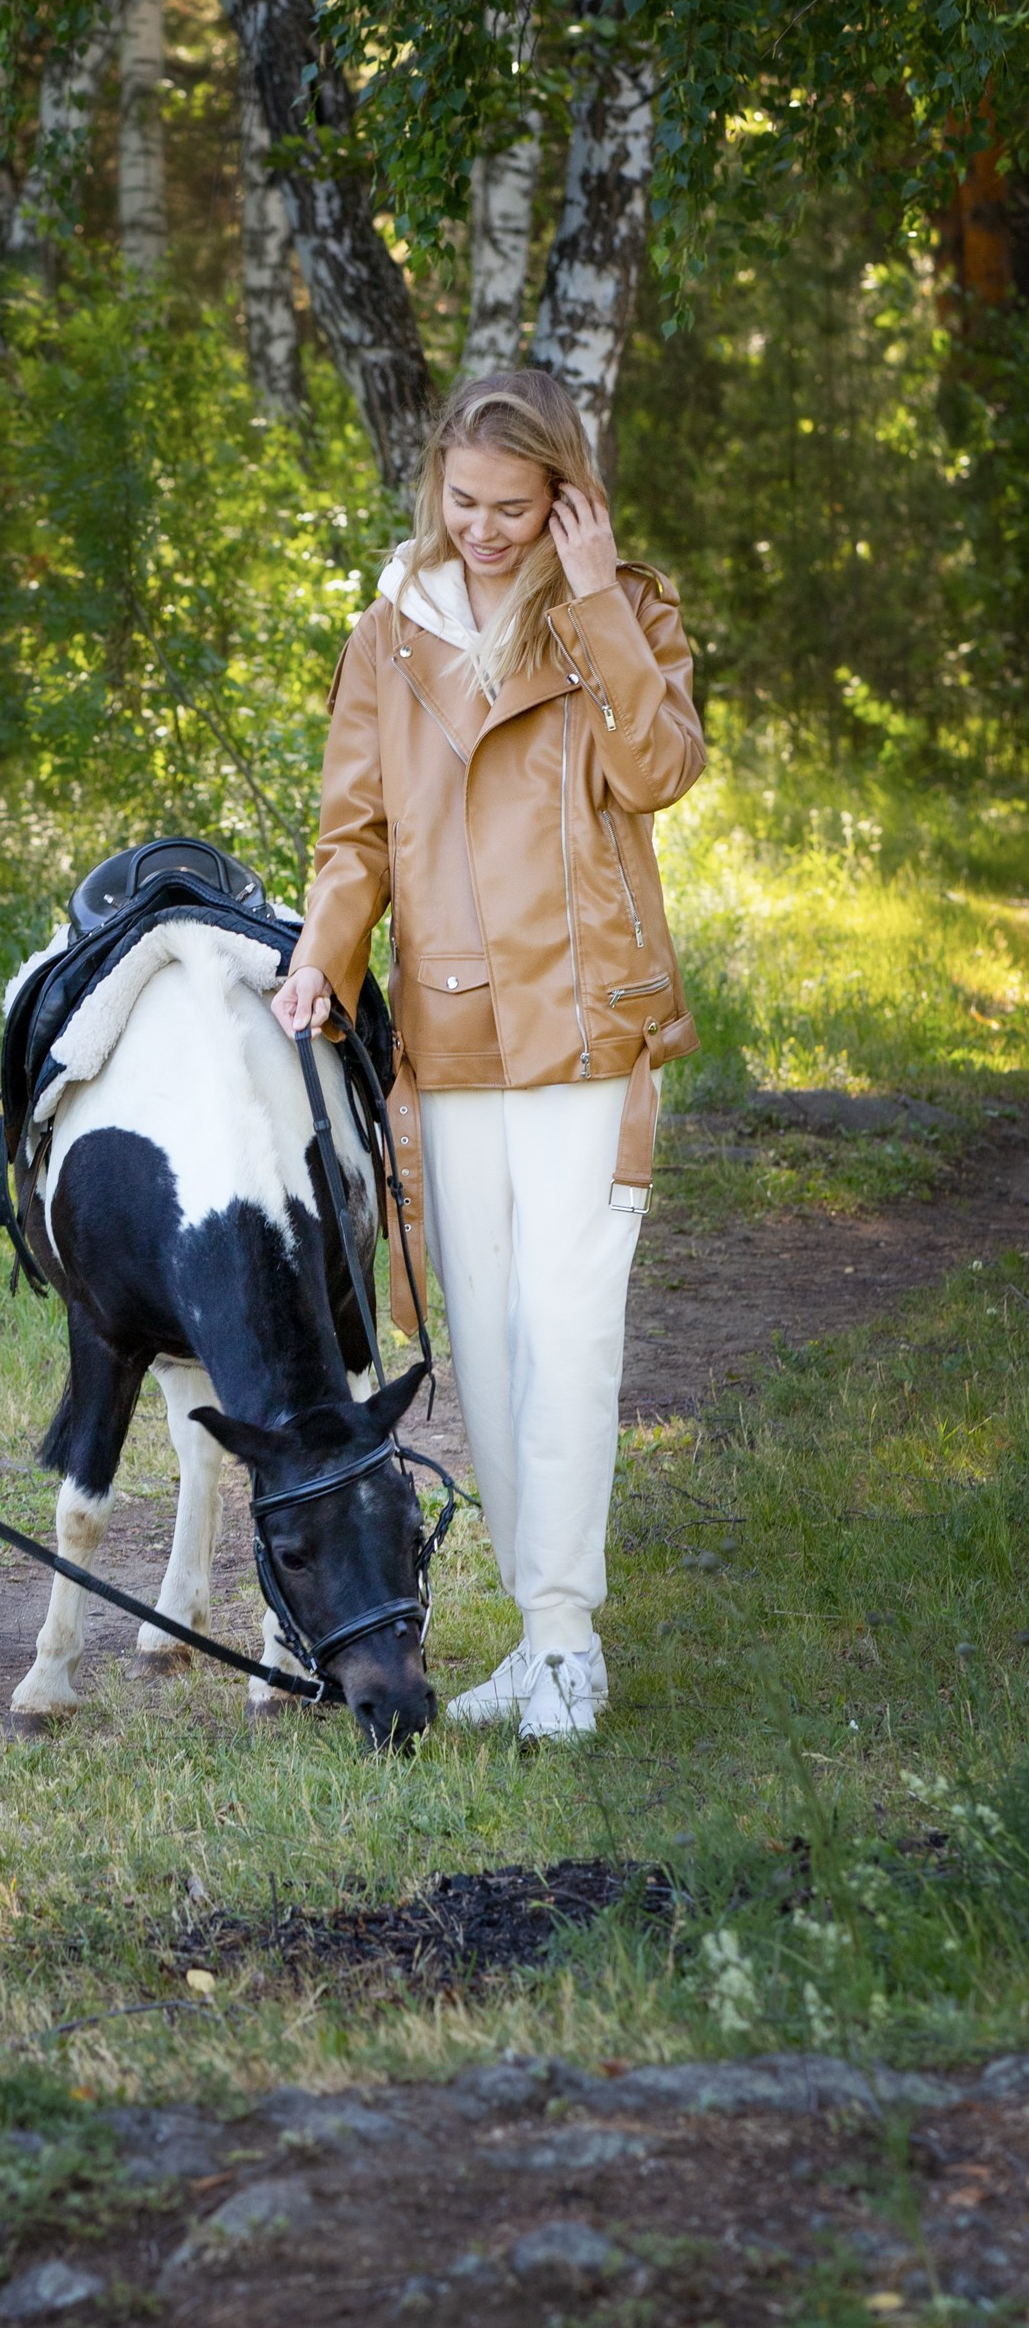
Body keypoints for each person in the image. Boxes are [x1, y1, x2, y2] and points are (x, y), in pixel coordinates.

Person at [270, 367, 705, 1747]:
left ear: (567, 497)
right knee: (493, 1342)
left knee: (568, 1328)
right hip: (451, 1033)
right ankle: (534, 1634)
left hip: (586, 1022)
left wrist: (593, 598)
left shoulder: (619, 612)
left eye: (514, 506)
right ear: (433, 490)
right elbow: (355, 833)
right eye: (463, 500)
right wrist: (322, 957)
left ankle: (569, 1637)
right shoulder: (385, 636)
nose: (483, 527)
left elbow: (660, 770)